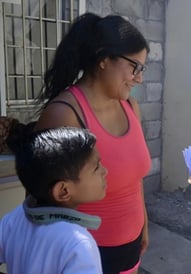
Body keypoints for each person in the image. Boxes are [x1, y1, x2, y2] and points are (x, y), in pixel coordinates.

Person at [34, 13, 152, 274]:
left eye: (142, 69)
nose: (139, 78)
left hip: (131, 248)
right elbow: (45, 198)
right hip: (85, 255)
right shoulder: (65, 115)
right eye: (134, 66)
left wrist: (143, 222)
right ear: (103, 59)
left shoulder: (131, 107)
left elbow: (135, 178)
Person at [0, 126, 107, 273]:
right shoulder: (78, 245)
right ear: (63, 191)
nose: (104, 171)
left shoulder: (14, 218)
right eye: (96, 167)